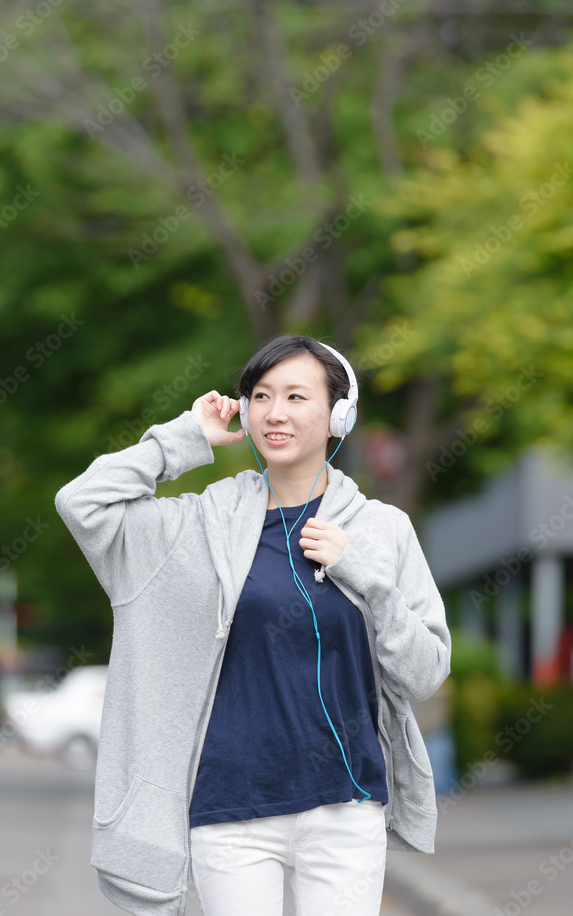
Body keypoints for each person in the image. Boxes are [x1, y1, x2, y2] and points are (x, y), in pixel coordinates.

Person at [54, 334, 451, 916]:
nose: (275, 412)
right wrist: (185, 439)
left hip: (345, 809)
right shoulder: (195, 527)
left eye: (296, 396)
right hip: (229, 808)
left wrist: (365, 575)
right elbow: (82, 503)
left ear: (339, 415)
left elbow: (425, 673)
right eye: (261, 395)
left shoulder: (381, 530)